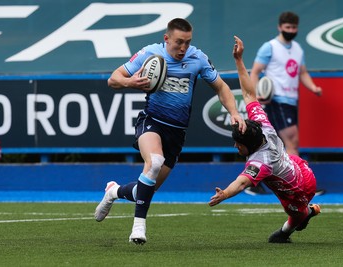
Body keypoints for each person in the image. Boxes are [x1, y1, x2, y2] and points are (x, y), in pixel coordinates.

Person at [94, 18, 245, 245]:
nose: (183, 48)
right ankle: (138, 227)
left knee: (145, 190)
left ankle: (113, 191)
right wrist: (130, 83)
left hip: (177, 132)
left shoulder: (198, 58)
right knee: (154, 162)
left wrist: (233, 111)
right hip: (152, 121)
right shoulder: (150, 53)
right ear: (166, 39)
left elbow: (221, 87)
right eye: (178, 43)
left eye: (187, 42)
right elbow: (113, 79)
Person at [209, 36, 321, 243]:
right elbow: (249, 94)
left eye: (238, 144)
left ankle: (305, 214)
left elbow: (242, 183)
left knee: (296, 218)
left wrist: (224, 194)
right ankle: (304, 213)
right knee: (295, 209)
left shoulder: (260, 162)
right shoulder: (263, 126)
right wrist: (239, 60)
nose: (235, 146)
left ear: (248, 145)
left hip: (298, 189)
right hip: (298, 166)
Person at [246, 11, 324, 196]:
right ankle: (301, 185)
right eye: (287, 27)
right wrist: (256, 96)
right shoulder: (270, 47)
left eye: (294, 27)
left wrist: (313, 87)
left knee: (271, 143)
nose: (291, 30)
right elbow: (255, 72)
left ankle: (256, 182)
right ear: (280, 27)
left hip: (291, 101)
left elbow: (302, 72)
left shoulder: (297, 48)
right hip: (276, 100)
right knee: (292, 142)